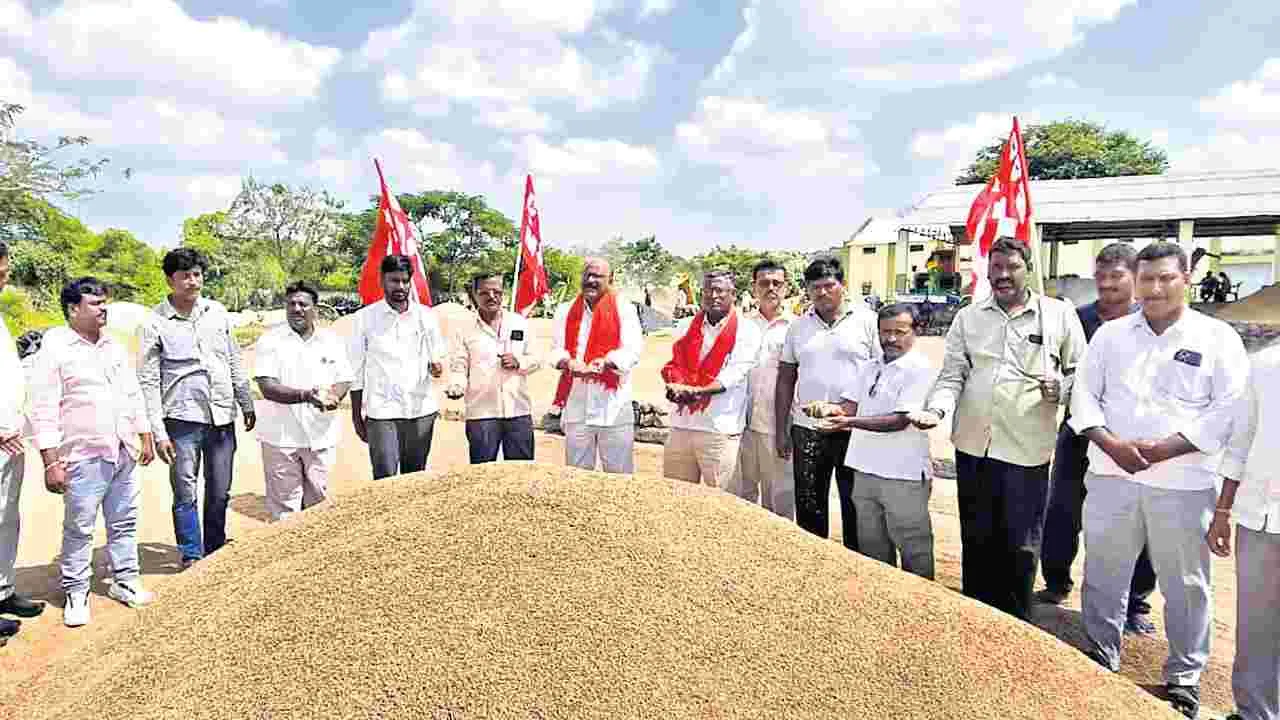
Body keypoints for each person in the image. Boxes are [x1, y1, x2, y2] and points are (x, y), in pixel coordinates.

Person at [1070, 242, 1247, 720]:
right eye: (1147, 279)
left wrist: (1169, 447)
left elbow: (1229, 410)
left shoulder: (1217, 337)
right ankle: (1100, 655)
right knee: (1105, 572)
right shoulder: (1109, 336)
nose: (1155, 288)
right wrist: (1110, 443)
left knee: (1187, 584)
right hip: (1112, 474)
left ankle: (1184, 678)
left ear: (1186, 278)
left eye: (1166, 278)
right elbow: (1083, 396)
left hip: (1185, 482)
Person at [919, 237, 1086, 621]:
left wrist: (1062, 389)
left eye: (1011, 267)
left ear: (1028, 268)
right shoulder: (969, 317)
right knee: (977, 540)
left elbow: (1083, 373)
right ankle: (977, 620)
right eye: (996, 268)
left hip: (1026, 450)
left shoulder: (1058, 315)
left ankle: (1014, 626)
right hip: (973, 445)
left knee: (1020, 546)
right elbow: (953, 374)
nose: (1003, 276)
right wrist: (938, 410)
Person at [1038, 243, 1158, 635]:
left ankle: (1136, 601)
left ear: (1134, 276)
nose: (1106, 284)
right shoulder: (1078, 318)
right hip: (1077, 434)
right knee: (1062, 512)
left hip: (1131, 440)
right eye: (1101, 276)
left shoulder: (1152, 322)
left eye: (1116, 276)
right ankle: (1056, 581)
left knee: (1136, 522)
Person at [30, 278, 157, 627]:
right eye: (95, 304)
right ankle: (76, 591)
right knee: (80, 528)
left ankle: (125, 581)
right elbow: (43, 409)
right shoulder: (55, 350)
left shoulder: (113, 347)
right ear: (74, 309)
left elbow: (132, 393)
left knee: (125, 522)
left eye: (105, 303)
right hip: (83, 456)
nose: (104, 309)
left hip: (123, 450)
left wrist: (144, 434)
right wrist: (51, 461)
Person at [139, 248, 255, 569]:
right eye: (185, 276)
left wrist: (245, 401)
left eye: (197, 275)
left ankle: (215, 548)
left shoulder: (217, 312)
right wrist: (157, 431)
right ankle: (192, 553)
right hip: (181, 420)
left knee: (219, 490)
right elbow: (148, 381)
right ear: (170, 280)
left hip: (221, 416)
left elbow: (233, 358)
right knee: (185, 491)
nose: (193, 282)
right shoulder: (154, 322)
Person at [815, 304, 938, 578]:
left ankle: (920, 609)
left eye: (899, 332)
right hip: (864, 470)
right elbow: (850, 405)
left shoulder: (920, 369)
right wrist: (830, 410)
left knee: (913, 549)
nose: (891, 339)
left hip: (902, 475)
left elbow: (899, 420)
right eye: (885, 332)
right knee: (872, 551)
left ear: (916, 332)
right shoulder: (870, 367)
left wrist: (847, 422)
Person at [775, 257, 879, 551]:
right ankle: (813, 567)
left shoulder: (868, 321)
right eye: (815, 288)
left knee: (856, 506)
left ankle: (857, 572)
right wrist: (782, 429)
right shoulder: (798, 327)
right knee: (809, 506)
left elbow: (881, 371)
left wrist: (853, 409)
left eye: (828, 286)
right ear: (807, 291)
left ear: (842, 286)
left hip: (854, 430)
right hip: (808, 430)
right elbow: (785, 378)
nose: (822, 293)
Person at [1210, 343, 1280, 720]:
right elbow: (1241, 441)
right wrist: (1223, 510)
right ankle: (1256, 713)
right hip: (1261, 519)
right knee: (1256, 628)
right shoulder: (1265, 364)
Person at [253, 281, 353, 522]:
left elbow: (345, 378)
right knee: (285, 511)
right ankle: (284, 558)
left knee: (318, 505)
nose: (297, 309)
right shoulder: (270, 341)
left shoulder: (332, 341)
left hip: (321, 435)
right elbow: (267, 386)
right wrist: (306, 396)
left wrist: (334, 397)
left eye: (303, 304)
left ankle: (314, 559)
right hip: (281, 438)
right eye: (291, 304)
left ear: (315, 309)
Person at [348, 255, 448, 479]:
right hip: (382, 413)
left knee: (414, 480)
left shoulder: (426, 317)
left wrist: (437, 368)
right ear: (382, 280)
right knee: (385, 479)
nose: (400, 287)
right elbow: (355, 371)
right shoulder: (363, 319)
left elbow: (438, 359)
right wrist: (356, 416)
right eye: (394, 280)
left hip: (421, 411)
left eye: (405, 280)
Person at [661, 269, 761, 487]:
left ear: (733, 294)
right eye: (708, 290)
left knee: (723, 503)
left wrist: (697, 392)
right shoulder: (684, 326)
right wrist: (674, 385)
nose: (713, 296)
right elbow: (674, 364)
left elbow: (735, 373)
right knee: (674, 498)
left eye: (720, 291)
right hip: (681, 424)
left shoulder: (748, 330)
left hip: (719, 429)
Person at [550, 258, 643, 474]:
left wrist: (607, 362)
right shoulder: (565, 310)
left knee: (619, 477)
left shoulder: (624, 309)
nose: (591, 280)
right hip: (576, 405)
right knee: (576, 475)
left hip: (613, 408)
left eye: (598, 276)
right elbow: (556, 349)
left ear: (610, 280)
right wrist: (569, 363)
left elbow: (633, 350)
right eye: (587, 275)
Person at [446, 273, 541, 464]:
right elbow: (459, 366)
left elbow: (537, 358)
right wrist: (456, 386)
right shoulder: (463, 328)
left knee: (521, 475)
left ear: (503, 294)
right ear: (474, 294)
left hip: (518, 411)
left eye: (496, 292)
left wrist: (519, 362)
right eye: (484, 292)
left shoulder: (519, 323)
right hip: (481, 414)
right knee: (481, 475)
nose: (491, 297)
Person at [0, 241, 43, 643]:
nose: (5, 277)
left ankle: (3, 590)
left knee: (6, 518)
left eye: (5, 271)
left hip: (11, 439)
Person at [732, 259, 795, 518]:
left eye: (776, 283)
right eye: (764, 283)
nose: (771, 288)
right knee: (741, 492)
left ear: (786, 288)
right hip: (741, 423)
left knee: (778, 495)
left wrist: (786, 429)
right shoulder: (741, 325)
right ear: (754, 288)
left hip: (777, 425)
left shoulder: (796, 328)